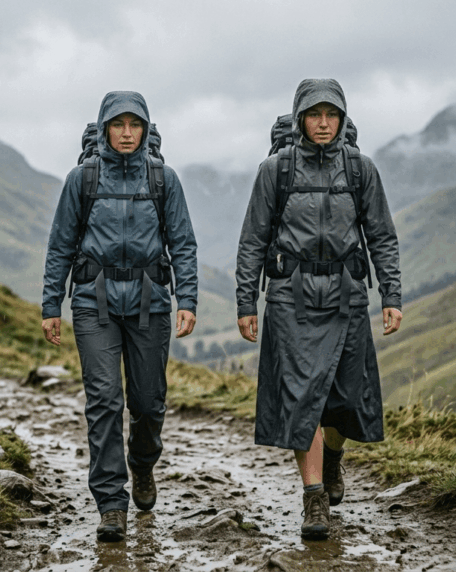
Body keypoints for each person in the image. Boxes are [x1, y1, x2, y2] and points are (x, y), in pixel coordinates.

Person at [235, 78, 402, 540]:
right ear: (300, 119)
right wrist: (246, 301)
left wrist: (391, 295)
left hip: (347, 294)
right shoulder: (277, 170)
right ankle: (313, 499)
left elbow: (382, 236)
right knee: (301, 397)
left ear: (343, 118)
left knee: (346, 397)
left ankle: (333, 457)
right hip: (291, 295)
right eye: (314, 115)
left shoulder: (361, 169)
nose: (323, 123)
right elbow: (253, 240)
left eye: (331, 114)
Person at [41, 91, 198, 542]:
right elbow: (60, 245)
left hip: (150, 302)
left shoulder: (163, 179)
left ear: (146, 129)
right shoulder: (82, 179)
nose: (127, 133)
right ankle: (111, 502)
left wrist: (186, 299)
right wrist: (52, 304)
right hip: (94, 303)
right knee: (105, 400)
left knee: (148, 404)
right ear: (105, 128)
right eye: (118, 125)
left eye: (135, 125)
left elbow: (182, 243)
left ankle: (143, 463)